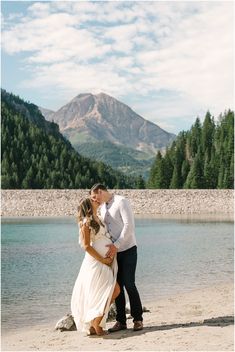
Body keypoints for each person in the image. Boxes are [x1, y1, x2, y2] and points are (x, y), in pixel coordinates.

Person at [90, 183, 143, 332]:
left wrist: (117, 245)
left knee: (129, 283)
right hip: (113, 254)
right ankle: (121, 321)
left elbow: (129, 226)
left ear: (100, 191)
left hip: (128, 249)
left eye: (95, 196)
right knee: (116, 286)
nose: (95, 200)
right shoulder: (102, 207)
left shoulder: (121, 201)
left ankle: (138, 319)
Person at [71, 197, 120, 336]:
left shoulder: (98, 218)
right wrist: (103, 260)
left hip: (105, 262)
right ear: (88, 205)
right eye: (93, 199)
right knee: (113, 290)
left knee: (103, 292)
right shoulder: (86, 222)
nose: (96, 200)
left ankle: (94, 324)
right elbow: (86, 246)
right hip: (96, 262)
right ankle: (96, 324)